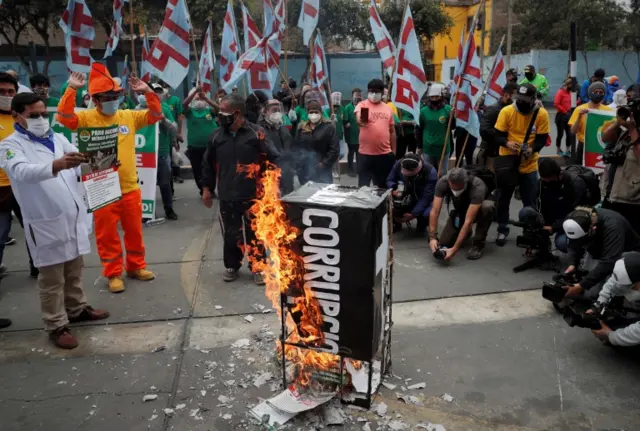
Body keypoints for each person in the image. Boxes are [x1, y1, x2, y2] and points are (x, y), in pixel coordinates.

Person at [1, 92, 110, 348]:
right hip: (45, 221)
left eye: (44, 114)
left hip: (72, 217)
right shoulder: (9, 145)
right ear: (17, 115)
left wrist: (98, 161)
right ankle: (56, 324)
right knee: (51, 279)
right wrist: (56, 165)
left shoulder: (58, 138)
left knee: (74, 270)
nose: (41, 119)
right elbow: (21, 171)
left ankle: (77, 309)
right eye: (34, 115)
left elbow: (78, 160)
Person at [56, 63, 162, 294]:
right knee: (107, 235)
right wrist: (71, 89)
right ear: (95, 100)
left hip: (130, 187)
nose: (113, 100)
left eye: (116, 96)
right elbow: (64, 118)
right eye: (107, 97)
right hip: (101, 187)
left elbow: (155, 115)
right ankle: (113, 273)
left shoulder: (128, 116)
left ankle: (136, 266)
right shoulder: (86, 119)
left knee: (134, 231)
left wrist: (147, 92)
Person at [201, 94, 280, 284]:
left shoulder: (257, 133)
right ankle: (232, 265)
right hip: (228, 194)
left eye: (223, 113)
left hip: (254, 194)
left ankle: (258, 267)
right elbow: (207, 165)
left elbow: (273, 159)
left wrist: (272, 186)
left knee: (256, 233)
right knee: (231, 233)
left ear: (236, 114)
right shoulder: (216, 136)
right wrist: (206, 188)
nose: (219, 116)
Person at [493, 83, 550, 246]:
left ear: (533, 99)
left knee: (530, 201)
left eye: (526, 100)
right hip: (507, 163)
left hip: (529, 165)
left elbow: (542, 139)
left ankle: (528, 230)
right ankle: (502, 229)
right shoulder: (507, 111)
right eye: (520, 99)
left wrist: (531, 149)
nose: (522, 102)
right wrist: (506, 143)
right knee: (503, 199)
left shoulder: (541, 114)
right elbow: (497, 135)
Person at [0, 72, 36, 277]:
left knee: (34, 229)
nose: (6, 95)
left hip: (25, 184)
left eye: (10, 91)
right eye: (1, 91)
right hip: (1, 187)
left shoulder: (24, 118)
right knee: (1, 233)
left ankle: (38, 266)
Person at [562, 207, 640, 300]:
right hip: (600, 249)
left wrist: (581, 286)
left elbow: (610, 261)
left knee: (592, 295)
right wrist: (572, 264)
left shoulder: (613, 226)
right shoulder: (574, 217)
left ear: (593, 227)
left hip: (625, 254)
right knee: (588, 286)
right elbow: (572, 242)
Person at [428, 167, 496, 260]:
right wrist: (432, 237)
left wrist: (454, 250)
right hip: (461, 207)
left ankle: (478, 243)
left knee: (487, 207)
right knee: (444, 242)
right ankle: (465, 233)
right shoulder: (443, 182)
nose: (455, 191)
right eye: (452, 188)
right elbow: (434, 211)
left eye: (458, 188)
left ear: (465, 182)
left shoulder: (477, 186)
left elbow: (468, 221)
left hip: (479, 205)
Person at [600, 89, 640, 234]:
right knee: (608, 233)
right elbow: (605, 138)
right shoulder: (625, 127)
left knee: (630, 237)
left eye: (633, 102)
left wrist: (633, 130)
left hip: (632, 198)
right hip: (612, 192)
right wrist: (618, 122)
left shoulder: (632, 128)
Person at [538, 158, 590, 252]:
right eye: (544, 181)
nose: (546, 183)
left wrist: (554, 227)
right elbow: (539, 204)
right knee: (527, 213)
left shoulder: (575, 185)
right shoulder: (544, 181)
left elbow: (577, 216)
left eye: (549, 181)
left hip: (572, 221)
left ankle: (580, 250)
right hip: (556, 216)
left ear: (558, 174)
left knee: (561, 243)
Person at [590, 253, 640, 347]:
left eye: (631, 286)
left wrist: (611, 336)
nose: (628, 290)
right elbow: (614, 280)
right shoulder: (631, 267)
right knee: (611, 324)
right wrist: (599, 304)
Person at [355, 79, 396, 188]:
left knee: (383, 187)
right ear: (368, 92)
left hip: (384, 154)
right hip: (365, 155)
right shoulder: (362, 105)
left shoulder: (388, 109)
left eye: (377, 92)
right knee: (363, 187)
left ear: (382, 93)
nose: (374, 94)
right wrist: (362, 119)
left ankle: (382, 205)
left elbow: (392, 131)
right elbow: (360, 120)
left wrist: (394, 151)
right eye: (371, 92)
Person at [386, 153, 437, 233]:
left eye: (409, 176)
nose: (406, 177)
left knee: (428, 213)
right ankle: (396, 222)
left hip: (422, 197)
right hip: (405, 196)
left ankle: (422, 224)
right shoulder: (399, 164)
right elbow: (389, 180)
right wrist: (393, 189)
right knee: (389, 206)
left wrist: (413, 214)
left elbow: (426, 198)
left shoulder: (430, 172)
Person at [182, 86, 218, 196]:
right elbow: (184, 104)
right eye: (197, 100)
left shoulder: (209, 112)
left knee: (211, 169)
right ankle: (202, 189)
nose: (199, 102)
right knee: (197, 170)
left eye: (201, 100)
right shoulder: (190, 112)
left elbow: (219, 108)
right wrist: (195, 93)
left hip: (209, 147)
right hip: (194, 147)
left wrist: (206, 99)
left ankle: (211, 189)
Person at [150, 83, 178, 220]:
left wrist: (164, 120)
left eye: (159, 92)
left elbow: (174, 128)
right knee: (146, 184)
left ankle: (169, 210)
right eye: (154, 91)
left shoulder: (165, 109)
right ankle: (148, 212)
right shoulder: (140, 109)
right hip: (145, 153)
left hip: (162, 152)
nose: (157, 94)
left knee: (165, 183)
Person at [294, 98, 339, 184]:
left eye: (316, 112)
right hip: (305, 170)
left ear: (321, 113)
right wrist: (298, 164)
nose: (313, 114)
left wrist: (324, 163)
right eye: (311, 112)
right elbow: (296, 146)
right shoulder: (301, 128)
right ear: (307, 113)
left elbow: (334, 149)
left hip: (323, 170)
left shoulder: (329, 128)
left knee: (322, 194)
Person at [569, 81, 613, 165]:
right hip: (584, 146)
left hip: (600, 146)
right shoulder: (580, 109)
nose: (598, 94)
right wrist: (579, 117)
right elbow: (573, 131)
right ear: (590, 93)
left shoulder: (608, 111)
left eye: (601, 92)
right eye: (595, 92)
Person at [479, 82, 518, 167]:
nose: (517, 99)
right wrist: (503, 138)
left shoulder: (514, 109)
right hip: (493, 151)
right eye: (515, 97)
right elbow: (484, 130)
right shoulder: (493, 109)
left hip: (509, 151)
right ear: (506, 95)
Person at [417, 83, 452, 176]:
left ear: (441, 96)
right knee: (429, 173)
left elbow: (452, 127)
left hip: (443, 148)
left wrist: (454, 117)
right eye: (432, 97)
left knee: (443, 173)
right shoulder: (423, 111)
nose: (435, 99)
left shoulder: (448, 110)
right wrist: (419, 146)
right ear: (429, 97)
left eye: (437, 97)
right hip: (428, 148)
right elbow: (419, 129)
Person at [260, 100, 294, 194]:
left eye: (279, 111)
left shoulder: (283, 129)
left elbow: (290, 148)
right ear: (265, 112)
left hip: (286, 174)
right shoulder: (260, 130)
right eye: (274, 111)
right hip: (269, 173)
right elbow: (268, 149)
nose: (277, 114)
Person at [159, 81, 185, 186]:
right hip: (162, 135)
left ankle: (177, 174)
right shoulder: (158, 102)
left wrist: (179, 132)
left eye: (166, 86)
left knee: (175, 153)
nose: (165, 89)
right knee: (166, 159)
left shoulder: (174, 100)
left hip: (172, 133)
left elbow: (180, 116)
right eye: (162, 87)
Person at [343, 88, 362, 176]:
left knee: (359, 153)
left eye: (359, 95)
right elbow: (345, 121)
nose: (358, 97)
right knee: (351, 152)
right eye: (356, 95)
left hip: (361, 135)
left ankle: (359, 169)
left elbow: (365, 120)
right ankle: (350, 169)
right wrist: (347, 123)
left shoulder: (363, 107)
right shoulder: (347, 107)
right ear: (352, 96)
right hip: (350, 135)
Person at [553, 78, 574, 156]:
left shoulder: (571, 93)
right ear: (567, 85)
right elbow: (556, 104)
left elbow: (571, 103)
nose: (572, 87)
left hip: (568, 115)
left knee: (569, 134)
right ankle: (558, 150)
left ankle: (568, 150)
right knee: (560, 134)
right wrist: (564, 111)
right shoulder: (560, 92)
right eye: (571, 85)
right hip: (561, 116)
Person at [329, 91, 345, 180]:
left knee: (341, 153)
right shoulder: (328, 109)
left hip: (340, 135)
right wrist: (330, 119)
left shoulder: (341, 108)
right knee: (336, 154)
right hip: (332, 136)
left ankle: (334, 168)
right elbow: (325, 120)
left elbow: (344, 118)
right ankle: (334, 171)